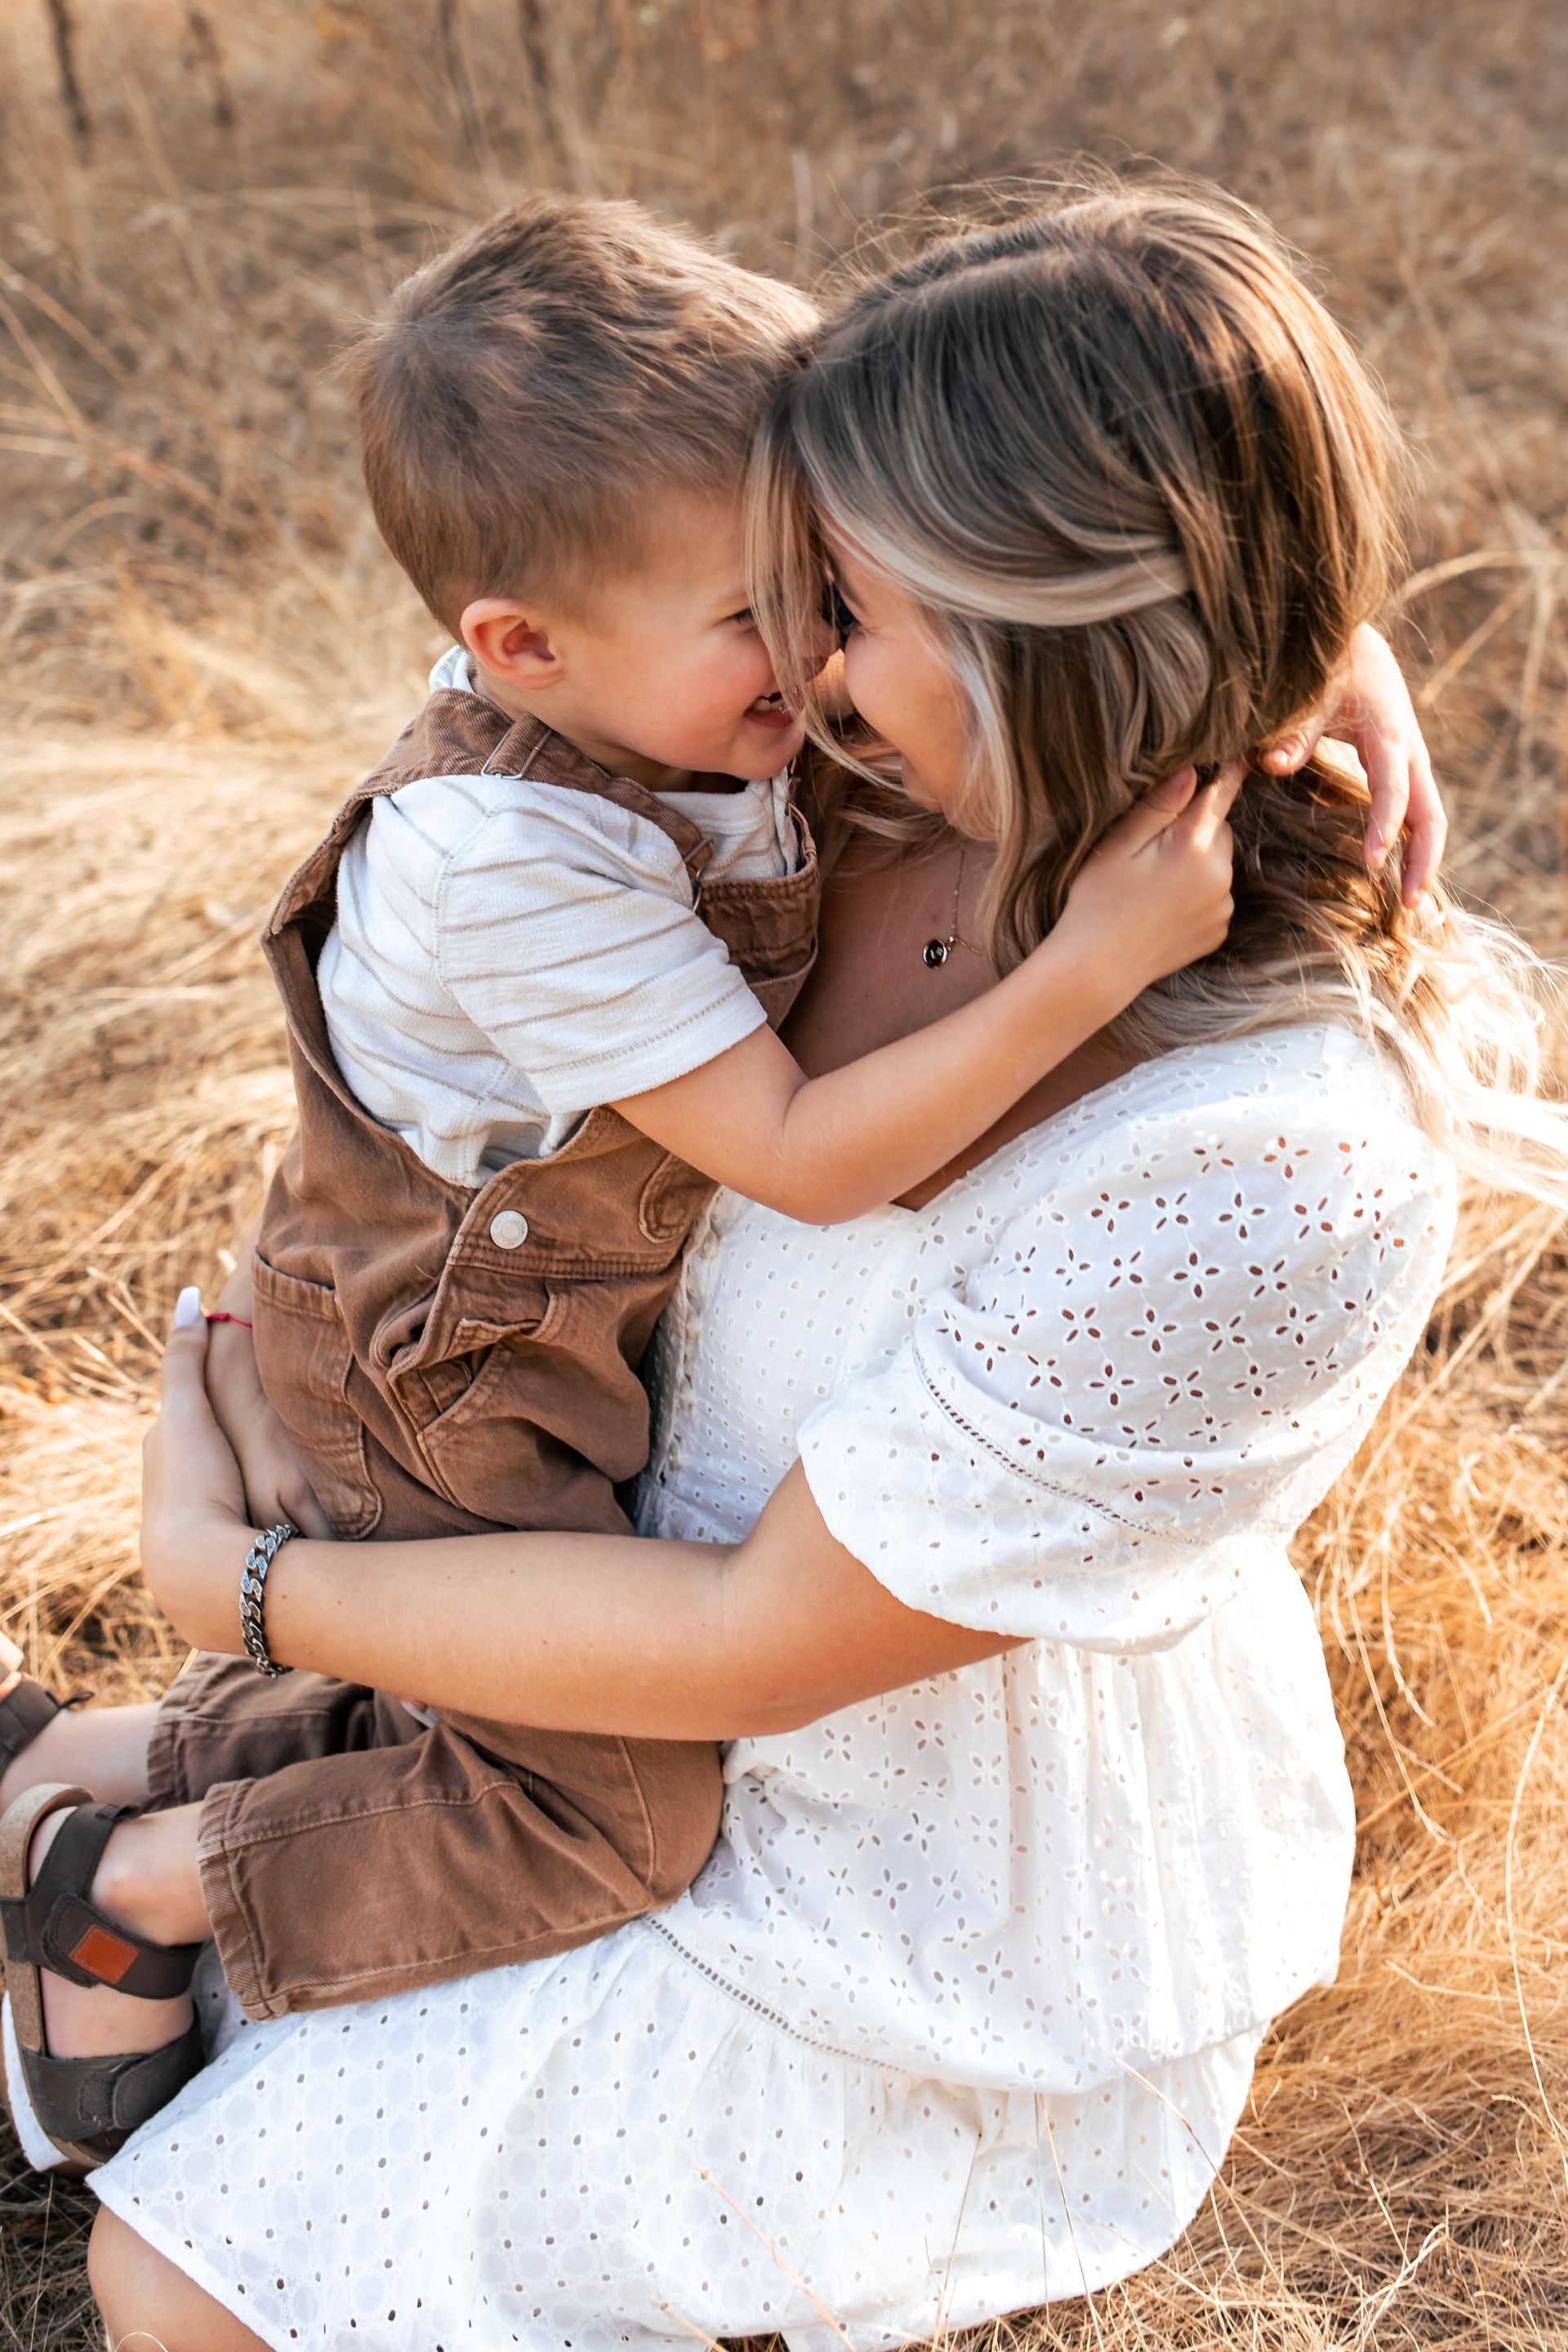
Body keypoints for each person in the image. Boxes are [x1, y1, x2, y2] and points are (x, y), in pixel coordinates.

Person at [21, 181, 1536, 2352]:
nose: (805, 665)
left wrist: (229, 1580)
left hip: (902, 1894)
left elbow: (752, 1646)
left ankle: (195, 1794)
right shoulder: (835, 765)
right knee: (182, 2041)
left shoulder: (1268, 1166)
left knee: (182, 2289)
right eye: (792, 599)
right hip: (597, 1592)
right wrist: (1328, 642)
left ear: (1051, 636)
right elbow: (606, 556)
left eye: (849, 603)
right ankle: (164, 1802)